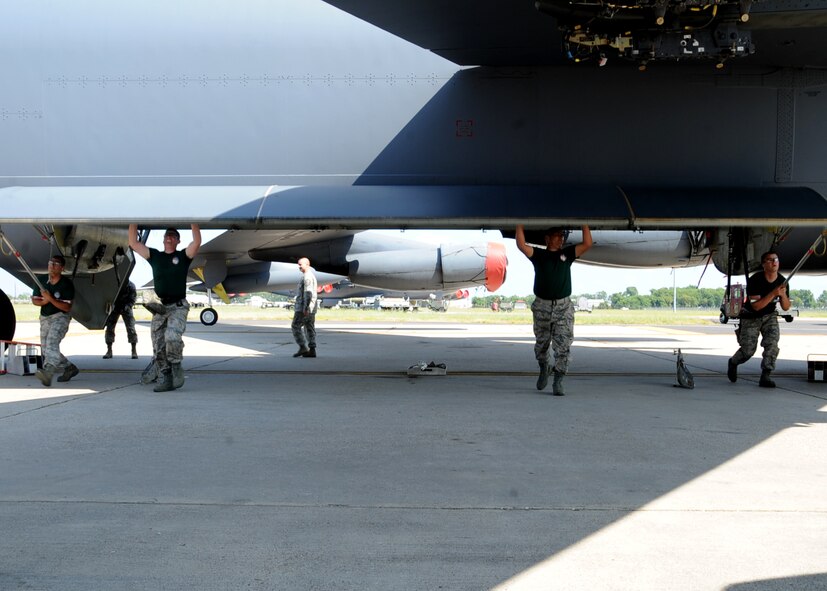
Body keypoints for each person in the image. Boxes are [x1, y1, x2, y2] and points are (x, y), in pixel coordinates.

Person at [516, 225, 593, 395]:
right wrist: (520, 223)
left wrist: (584, 224)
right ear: (547, 238)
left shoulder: (567, 254)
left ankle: (558, 380)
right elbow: (521, 245)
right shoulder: (539, 255)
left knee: (563, 345)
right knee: (542, 343)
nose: (561, 239)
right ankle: (544, 368)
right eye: (557, 236)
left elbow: (587, 243)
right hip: (542, 306)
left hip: (563, 307)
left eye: (562, 236)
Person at [128, 224, 201, 392]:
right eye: (167, 235)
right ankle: (165, 377)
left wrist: (193, 221)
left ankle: (176, 366)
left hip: (178, 306)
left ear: (178, 240)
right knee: (158, 346)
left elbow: (196, 242)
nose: (169, 237)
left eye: (173, 236)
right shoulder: (155, 256)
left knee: (172, 337)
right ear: (163, 239)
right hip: (161, 307)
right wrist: (132, 221)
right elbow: (133, 243)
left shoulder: (183, 256)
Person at [727, 251, 790, 388]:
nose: (774, 262)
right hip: (751, 316)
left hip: (770, 316)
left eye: (776, 259)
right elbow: (756, 306)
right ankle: (733, 362)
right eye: (770, 260)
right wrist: (774, 293)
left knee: (772, 344)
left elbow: (785, 307)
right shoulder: (755, 280)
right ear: (763, 264)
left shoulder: (782, 281)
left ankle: (766, 374)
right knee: (748, 350)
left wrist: (783, 295)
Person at [31, 254, 78, 386]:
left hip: (61, 316)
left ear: (61, 268)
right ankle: (69, 367)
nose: (52, 266)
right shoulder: (41, 280)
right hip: (45, 318)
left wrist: (50, 299)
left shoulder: (66, 285)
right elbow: (35, 300)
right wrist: (45, 300)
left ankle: (48, 373)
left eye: (56, 264)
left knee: (52, 342)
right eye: (50, 263)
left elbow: (67, 307)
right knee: (47, 349)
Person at [103, 281, 138, 359]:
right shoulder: (113, 284)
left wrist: (128, 306)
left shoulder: (131, 285)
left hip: (126, 308)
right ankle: (109, 351)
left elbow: (133, 298)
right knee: (109, 328)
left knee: (131, 328)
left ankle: (134, 351)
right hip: (114, 308)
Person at [291, 257, 318, 358]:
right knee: (309, 327)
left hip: (303, 308)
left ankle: (302, 347)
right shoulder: (310, 276)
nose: (299, 267)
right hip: (311, 308)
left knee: (295, 326)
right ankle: (312, 349)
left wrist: (305, 308)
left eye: (300, 265)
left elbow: (308, 293)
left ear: (307, 264)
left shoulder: (307, 277)